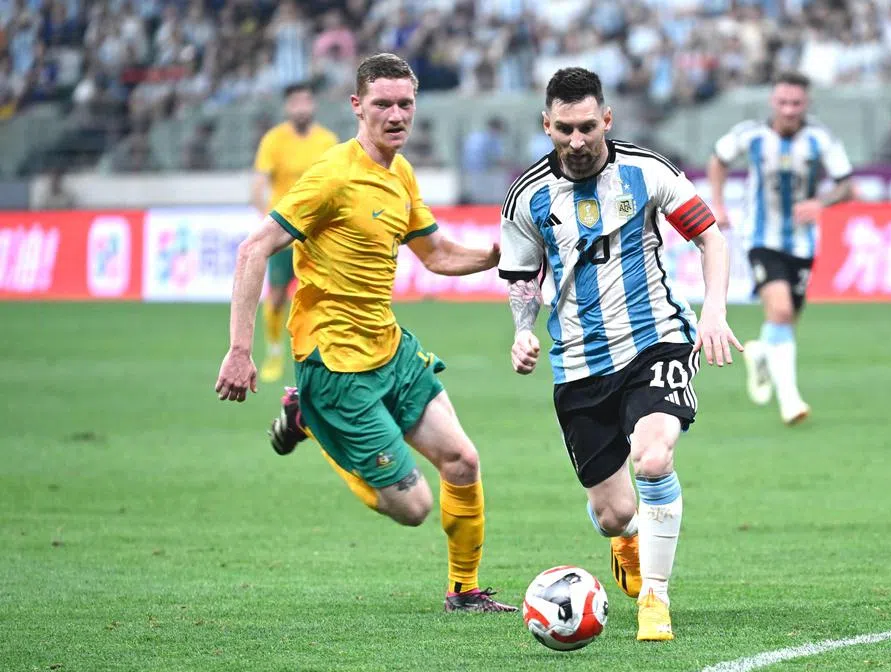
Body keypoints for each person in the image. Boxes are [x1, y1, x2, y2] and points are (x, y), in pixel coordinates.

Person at [215, 53, 515, 614]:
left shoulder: (400, 172)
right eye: (383, 104)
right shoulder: (331, 175)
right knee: (414, 507)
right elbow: (253, 249)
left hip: (389, 348)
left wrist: (495, 258)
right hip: (336, 366)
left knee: (462, 461)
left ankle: (464, 591)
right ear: (357, 106)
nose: (396, 115)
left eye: (405, 104)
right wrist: (239, 350)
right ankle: (309, 418)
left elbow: (436, 254)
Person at [498, 67, 741, 641]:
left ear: (607, 119)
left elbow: (710, 237)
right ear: (547, 125)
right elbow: (521, 277)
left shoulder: (647, 171)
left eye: (588, 126)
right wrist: (523, 331)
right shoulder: (526, 195)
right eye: (565, 129)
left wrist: (714, 310)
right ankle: (628, 540)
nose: (577, 140)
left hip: (655, 339)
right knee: (612, 514)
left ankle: (655, 598)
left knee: (653, 458)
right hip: (579, 361)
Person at [707, 71, 853, 426]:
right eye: (783, 102)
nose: (789, 110)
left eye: (796, 103)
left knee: (785, 322)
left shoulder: (820, 138)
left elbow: (846, 185)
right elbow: (718, 159)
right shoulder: (751, 134)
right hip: (761, 239)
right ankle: (790, 400)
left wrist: (821, 202)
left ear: (807, 103)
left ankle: (760, 353)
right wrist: (718, 204)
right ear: (773, 101)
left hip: (802, 243)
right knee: (782, 311)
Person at [252, 81, 339, 383]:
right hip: (284, 232)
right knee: (277, 296)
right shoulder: (274, 140)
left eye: (306, 101)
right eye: (296, 102)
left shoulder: (327, 141)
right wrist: (267, 221)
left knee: (322, 298)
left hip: (317, 236)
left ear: (313, 105)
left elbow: (337, 184)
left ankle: (323, 354)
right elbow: (259, 185)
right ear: (287, 107)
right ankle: (274, 352)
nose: (301, 107)